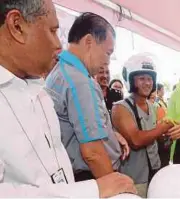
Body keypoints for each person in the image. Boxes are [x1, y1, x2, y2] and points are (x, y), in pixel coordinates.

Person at [0, 0, 135, 197]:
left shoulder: (38, 85)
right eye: (53, 31)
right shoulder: (78, 81)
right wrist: (101, 190)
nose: (58, 45)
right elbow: (92, 152)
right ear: (17, 26)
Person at [46, 12, 129, 182]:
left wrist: (111, 134)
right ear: (89, 42)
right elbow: (92, 153)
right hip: (93, 176)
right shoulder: (80, 82)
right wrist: (115, 189)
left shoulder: (60, 71)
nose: (107, 62)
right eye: (107, 52)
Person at [111, 54, 174, 197]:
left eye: (150, 78)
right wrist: (163, 128)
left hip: (155, 172)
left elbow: (157, 136)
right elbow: (136, 140)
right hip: (134, 178)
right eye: (142, 78)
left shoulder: (153, 106)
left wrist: (167, 137)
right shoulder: (120, 108)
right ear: (131, 80)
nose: (147, 83)